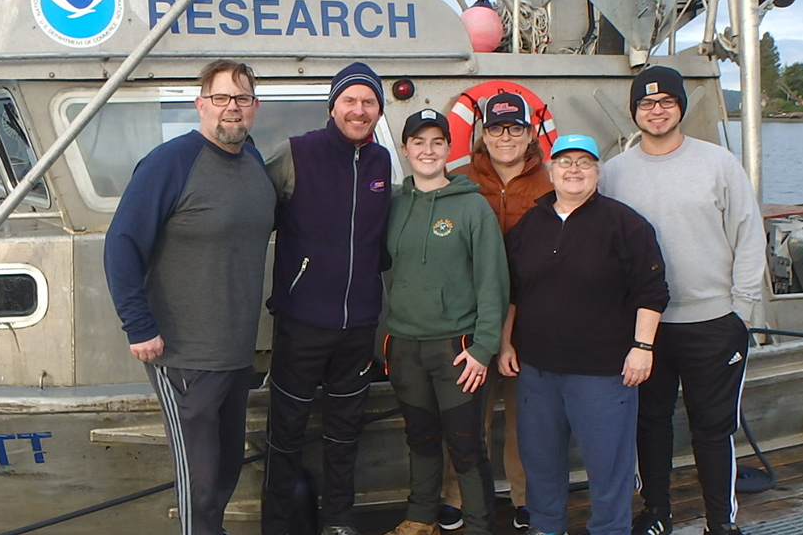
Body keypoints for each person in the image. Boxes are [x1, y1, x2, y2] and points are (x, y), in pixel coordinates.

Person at [103, 60, 276, 535]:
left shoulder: (254, 161)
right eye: (221, 99)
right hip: (183, 354)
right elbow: (122, 243)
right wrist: (138, 325)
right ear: (201, 104)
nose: (232, 109)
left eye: (241, 99)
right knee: (198, 482)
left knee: (225, 471)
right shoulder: (170, 163)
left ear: (255, 107)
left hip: (236, 352)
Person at [601, 66, 767, 535]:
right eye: (646, 103)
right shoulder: (614, 173)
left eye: (666, 102)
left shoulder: (719, 164)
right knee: (650, 425)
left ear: (680, 108)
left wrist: (743, 311)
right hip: (644, 329)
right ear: (634, 111)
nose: (656, 111)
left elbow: (749, 236)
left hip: (713, 322)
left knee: (712, 430)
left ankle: (721, 522)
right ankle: (657, 513)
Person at [499, 134, 668, 535]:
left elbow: (652, 290)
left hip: (603, 371)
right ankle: (545, 526)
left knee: (609, 465)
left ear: (598, 172)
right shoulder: (530, 224)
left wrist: (642, 348)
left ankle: (610, 530)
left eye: (584, 162)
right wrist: (506, 342)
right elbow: (512, 291)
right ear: (550, 170)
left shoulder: (625, 223)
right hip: (537, 369)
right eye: (565, 161)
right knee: (540, 461)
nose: (574, 169)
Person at [262, 61, 394, 535]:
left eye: (369, 102)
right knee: (286, 435)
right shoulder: (296, 153)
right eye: (350, 100)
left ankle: (338, 521)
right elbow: (254, 211)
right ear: (333, 105)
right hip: (302, 322)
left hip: (358, 326)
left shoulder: (382, 162)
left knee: (345, 433)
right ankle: (277, 525)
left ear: (378, 111)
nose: (359, 110)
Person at [380, 109, 508, 535]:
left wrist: (483, 348)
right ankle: (420, 517)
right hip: (405, 346)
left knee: (467, 446)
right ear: (405, 149)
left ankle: (478, 525)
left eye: (437, 142)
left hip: (456, 349)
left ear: (448, 149)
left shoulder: (473, 207)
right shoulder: (395, 206)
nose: (428, 150)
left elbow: (494, 283)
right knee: (420, 439)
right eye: (419, 142)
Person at [444, 90, 552, 531]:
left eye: (515, 127)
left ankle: (527, 498)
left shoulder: (552, 181)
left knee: (529, 418)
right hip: (471, 320)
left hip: (534, 321)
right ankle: (458, 496)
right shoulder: (459, 181)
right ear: (481, 134)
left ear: (530, 134)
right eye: (495, 127)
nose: (505, 136)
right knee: (469, 414)